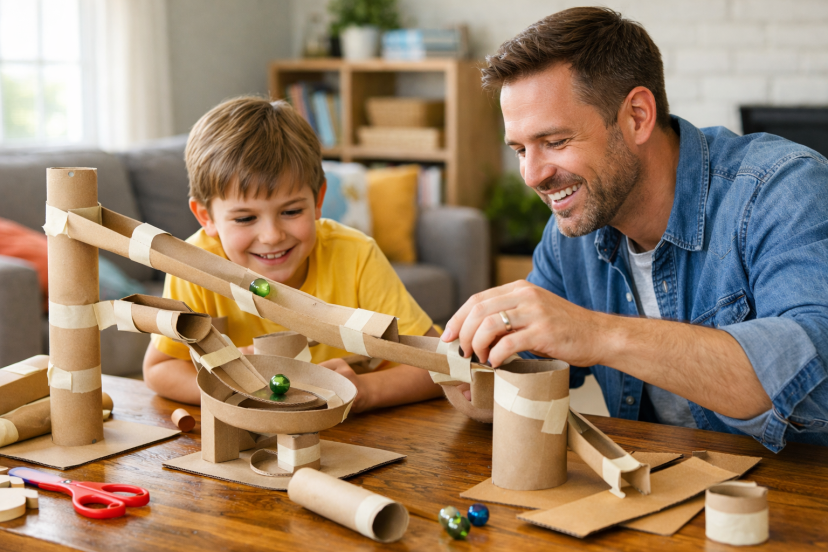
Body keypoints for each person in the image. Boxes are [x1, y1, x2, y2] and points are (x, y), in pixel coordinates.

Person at [442, 7, 828, 451]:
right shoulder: (575, 230)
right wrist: (469, 370)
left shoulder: (782, 189)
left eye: (555, 142)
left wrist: (593, 333)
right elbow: (520, 370)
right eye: (520, 150)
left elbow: (814, 376)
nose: (532, 175)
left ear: (638, 116)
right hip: (661, 482)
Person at [143, 96, 443, 410]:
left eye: (291, 212)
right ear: (206, 217)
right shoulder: (193, 266)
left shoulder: (355, 255)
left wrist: (364, 390)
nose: (272, 236)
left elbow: (439, 364)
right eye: (245, 218)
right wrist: (228, 384)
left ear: (318, 200)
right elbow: (160, 369)